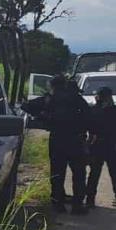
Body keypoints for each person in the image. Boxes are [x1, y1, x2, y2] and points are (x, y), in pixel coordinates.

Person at [22, 74, 91, 214]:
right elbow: (88, 116)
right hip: (76, 140)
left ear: (52, 85)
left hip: (58, 139)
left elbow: (27, 106)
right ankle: (78, 205)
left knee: (57, 173)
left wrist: (42, 116)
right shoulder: (76, 98)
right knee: (78, 173)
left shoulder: (50, 99)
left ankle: (58, 203)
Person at [86, 86, 116, 207]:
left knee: (95, 173)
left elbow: (89, 127)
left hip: (99, 144)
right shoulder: (112, 110)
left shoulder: (94, 110)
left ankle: (90, 199)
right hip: (109, 145)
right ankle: (90, 198)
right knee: (112, 172)